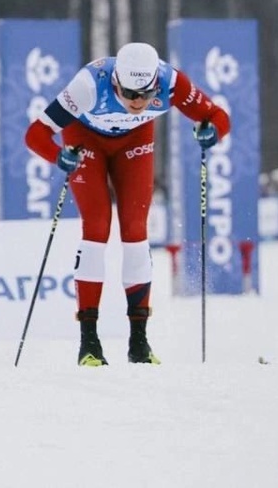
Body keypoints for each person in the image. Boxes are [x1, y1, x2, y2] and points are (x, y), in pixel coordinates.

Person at [24, 42, 230, 367]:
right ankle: (89, 342)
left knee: (135, 230)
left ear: (155, 86)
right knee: (97, 227)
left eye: (145, 95)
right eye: (130, 94)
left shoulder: (171, 83)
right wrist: (58, 156)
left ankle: (139, 342)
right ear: (115, 83)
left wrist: (212, 131)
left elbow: (217, 116)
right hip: (84, 139)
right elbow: (35, 134)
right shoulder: (88, 85)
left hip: (134, 141)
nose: (138, 102)